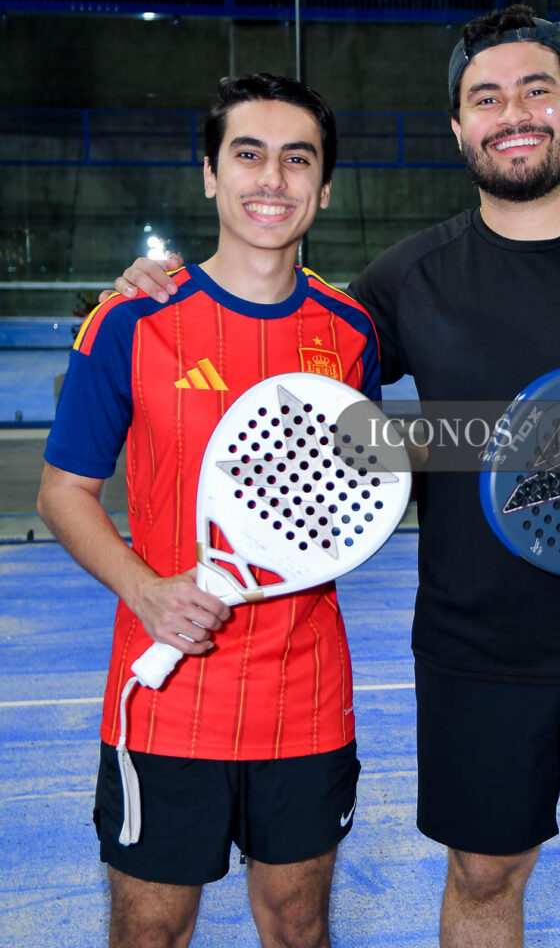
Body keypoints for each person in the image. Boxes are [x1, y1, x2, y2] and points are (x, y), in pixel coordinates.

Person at [109, 7, 560, 948]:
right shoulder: (405, 280)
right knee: (482, 876)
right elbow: (280, 357)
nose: (511, 113)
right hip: (477, 652)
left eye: (535, 91)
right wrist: (159, 287)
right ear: (457, 127)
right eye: (486, 97)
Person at [39, 73, 381, 948]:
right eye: (249, 155)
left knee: (298, 925)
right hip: (163, 700)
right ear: (208, 174)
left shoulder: (351, 335)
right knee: (150, 929)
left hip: (307, 700)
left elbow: (343, 504)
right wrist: (148, 592)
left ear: (325, 186)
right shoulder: (130, 321)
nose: (272, 178)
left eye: (296, 158)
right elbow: (64, 493)